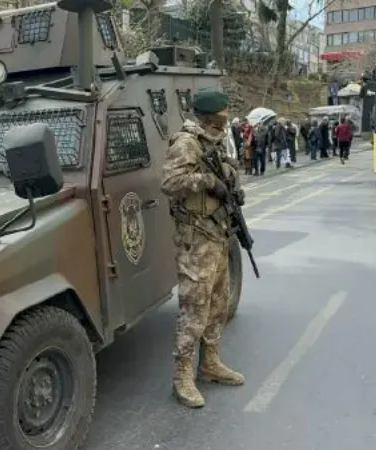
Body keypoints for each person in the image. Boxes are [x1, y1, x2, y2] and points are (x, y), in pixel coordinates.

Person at [161, 86, 246, 409]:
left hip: (217, 235)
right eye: (223, 112)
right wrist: (208, 182)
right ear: (213, 114)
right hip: (195, 240)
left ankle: (209, 363)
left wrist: (232, 189)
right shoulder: (186, 143)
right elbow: (170, 183)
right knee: (194, 310)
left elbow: (226, 175)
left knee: (217, 305)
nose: (226, 117)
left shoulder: (214, 140)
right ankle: (182, 375)